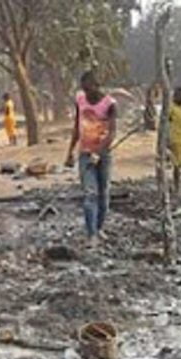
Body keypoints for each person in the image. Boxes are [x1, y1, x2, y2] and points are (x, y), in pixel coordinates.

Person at [65, 71, 117, 245]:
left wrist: (99, 152)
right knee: (89, 194)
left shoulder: (109, 104)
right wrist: (70, 152)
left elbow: (112, 133)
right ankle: (91, 234)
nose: (87, 94)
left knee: (103, 193)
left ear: (97, 86)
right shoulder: (80, 100)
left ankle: (99, 228)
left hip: (103, 155)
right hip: (85, 154)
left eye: (89, 90)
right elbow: (77, 127)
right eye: (84, 90)